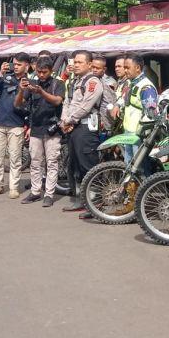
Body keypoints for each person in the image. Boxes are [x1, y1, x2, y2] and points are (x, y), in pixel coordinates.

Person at [16, 56, 65, 207]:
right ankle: (36, 192)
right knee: (35, 162)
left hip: (52, 129)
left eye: (44, 72)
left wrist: (41, 92)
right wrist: (21, 89)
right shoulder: (32, 83)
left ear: (51, 71)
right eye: (39, 72)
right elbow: (18, 104)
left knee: (51, 162)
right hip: (36, 128)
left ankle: (49, 194)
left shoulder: (58, 83)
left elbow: (57, 101)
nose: (41, 75)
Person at [60, 51, 103, 217]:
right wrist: (64, 120)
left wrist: (69, 120)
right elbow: (67, 102)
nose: (75, 65)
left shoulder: (93, 82)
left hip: (86, 129)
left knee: (88, 167)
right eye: (75, 62)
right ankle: (81, 200)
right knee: (75, 167)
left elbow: (86, 106)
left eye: (79, 62)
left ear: (89, 64)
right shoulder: (74, 81)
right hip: (73, 128)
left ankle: (94, 204)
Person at [0, 53, 30, 199]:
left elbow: (27, 104)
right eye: (14, 64)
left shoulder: (30, 83)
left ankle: (13, 187)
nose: (15, 67)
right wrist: (0, 73)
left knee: (15, 159)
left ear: (26, 66)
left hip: (16, 125)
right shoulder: (5, 77)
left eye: (19, 64)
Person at [120, 53, 158, 177]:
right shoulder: (130, 83)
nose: (125, 71)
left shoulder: (146, 87)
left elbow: (151, 113)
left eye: (127, 67)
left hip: (139, 134)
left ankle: (144, 194)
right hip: (129, 132)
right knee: (130, 165)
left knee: (139, 166)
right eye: (124, 67)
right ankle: (132, 194)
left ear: (137, 68)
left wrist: (143, 133)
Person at [91, 53, 117, 134]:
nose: (94, 70)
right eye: (93, 67)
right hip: (92, 119)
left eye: (97, 68)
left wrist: (104, 123)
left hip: (103, 122)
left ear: (104, 69)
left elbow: (109, 103)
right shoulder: (90, 80)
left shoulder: (108, 83)